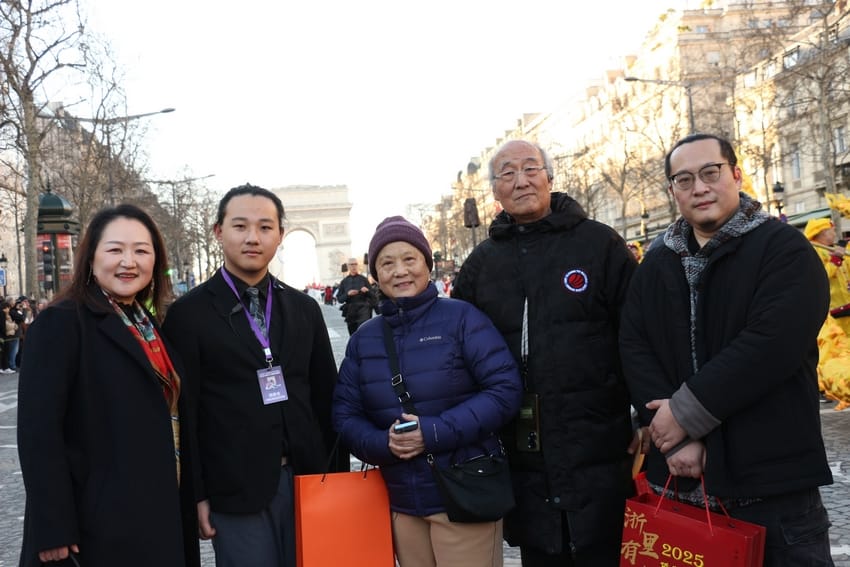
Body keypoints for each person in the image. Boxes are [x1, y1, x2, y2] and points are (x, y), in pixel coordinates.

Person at [620, 133, 834, 566]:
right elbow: (634, 344)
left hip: (772, 485)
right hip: (678, 484)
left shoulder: (784, 249)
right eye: (684, 179)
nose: (699, 187)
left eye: (710, 173)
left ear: (736, 174)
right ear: (672, 191)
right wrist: (670, 437)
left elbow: (771, 346)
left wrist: (684, 415)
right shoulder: (657, 262)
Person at [451, 140, 638, 566]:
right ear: (494, 192)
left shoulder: (600, 244)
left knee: (605, 548)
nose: (521, 181)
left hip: (600, 439)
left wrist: (647, 412)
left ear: (550, 177)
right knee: (542, 552)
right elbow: (457, 353)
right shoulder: (481, 264)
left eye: (530, 168)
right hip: (523, 449)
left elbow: (638, 333)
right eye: (507, 173)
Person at [162, 183, 342, 567]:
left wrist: (337, 480)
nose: (253, 238)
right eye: (240, 226)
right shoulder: (187, 316)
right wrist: (195, 495)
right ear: (219, 232)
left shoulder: (304, 309)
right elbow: (186, 415)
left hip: (309, 480)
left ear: (280, 234)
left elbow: (327, 398)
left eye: (265, 227)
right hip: (233, 489)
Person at [16, 204, 200, 567]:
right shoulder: (61, 323)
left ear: (156, 261)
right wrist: (53, 526)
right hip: (96, 525)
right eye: (115, 250)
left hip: (156, 511)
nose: (128, 262)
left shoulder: (147, 323)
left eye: (141, 251)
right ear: (90, 257)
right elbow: (39, 433)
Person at [333, 216, 522, 567]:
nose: (400, 271)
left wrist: (432, 432)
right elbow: (344, 416)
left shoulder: (464, 319)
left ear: (427, 264)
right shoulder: (364, 340)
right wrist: (383, 444)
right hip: (401, 501)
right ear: (375, 273)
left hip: (465, 493)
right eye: (387, 263)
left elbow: (505, 390)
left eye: (409, 259)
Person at [806, 218, 850, 335]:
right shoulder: (814, 252)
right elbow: (821, 276)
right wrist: (836, 259)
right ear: (824, 232)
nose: (835, 234)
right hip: (834, 311)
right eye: (832, 231)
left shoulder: (835, 249)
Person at [336, 256, 376, 334]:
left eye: (355, 264)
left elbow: (373, 296)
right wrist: (347, 294)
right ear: (348, 266)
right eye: (352, 264)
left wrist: (367, 291)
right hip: (351, 311)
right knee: (353, 336)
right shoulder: (344, 282)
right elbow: (340, 299)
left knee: (364, 333)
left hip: (364, 310)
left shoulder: (364, 279)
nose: (354, 266)